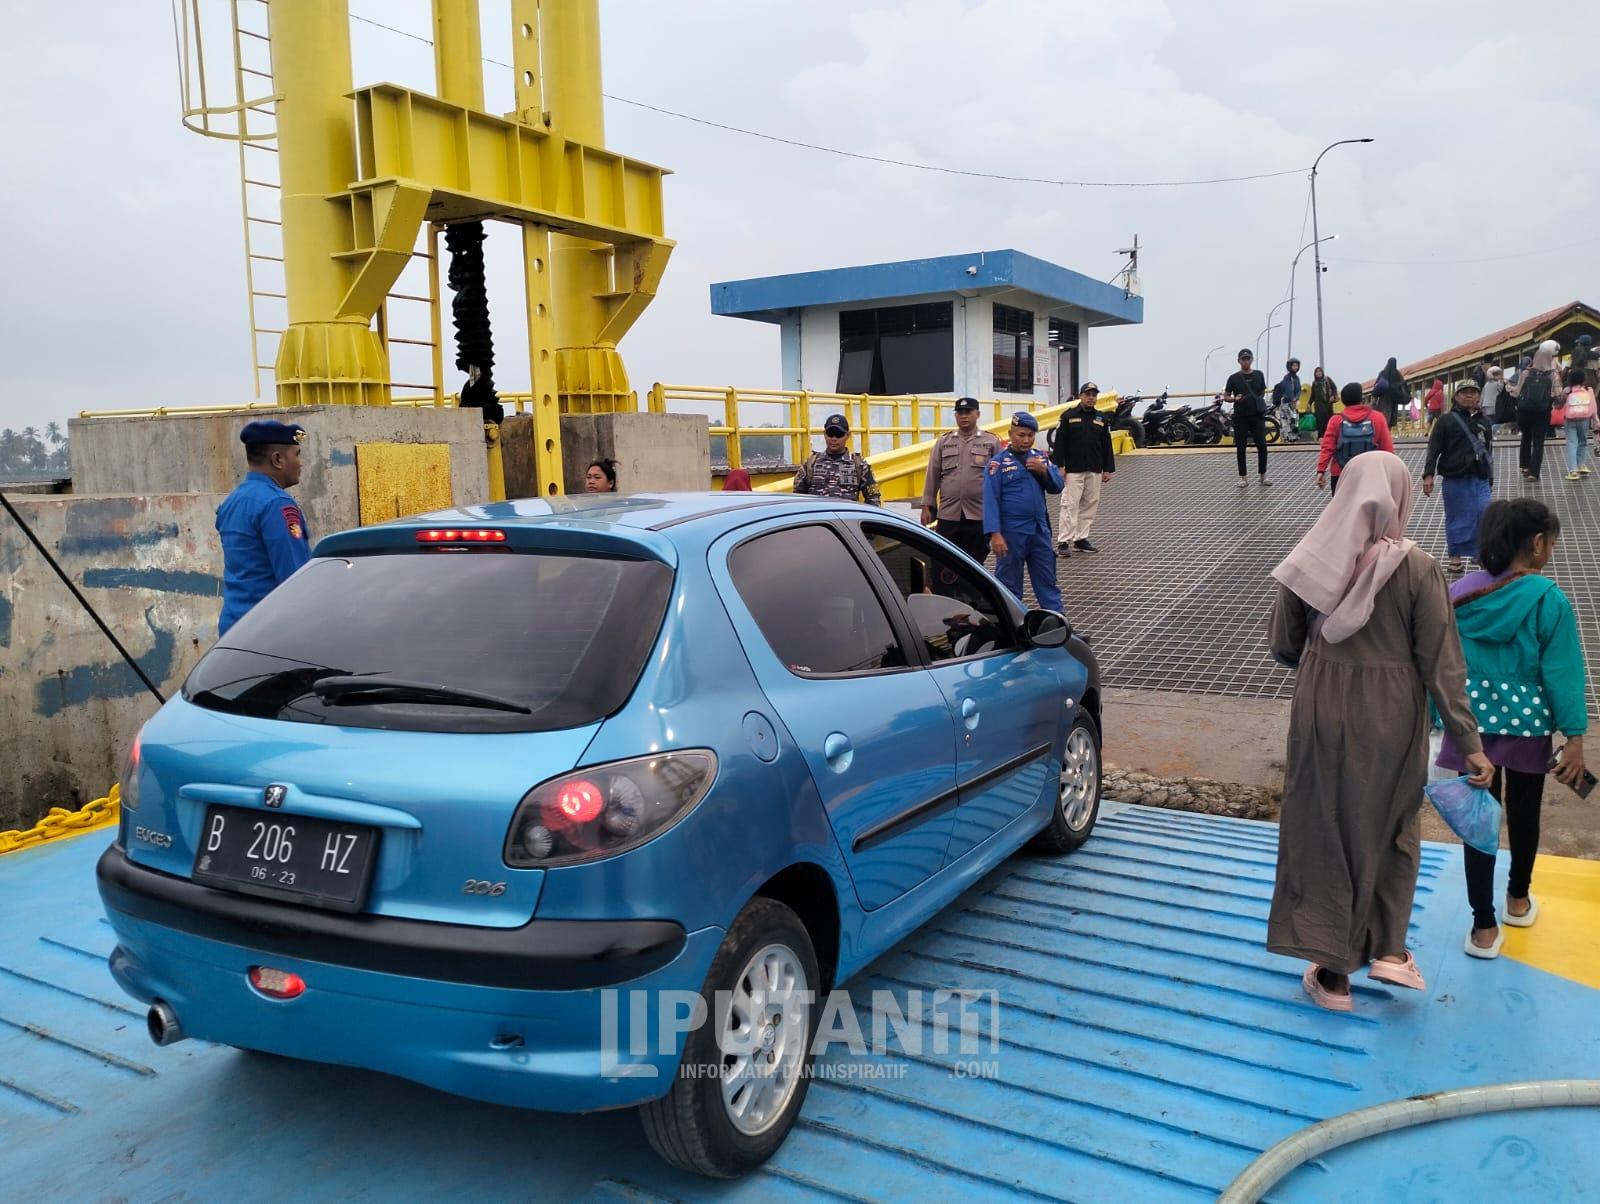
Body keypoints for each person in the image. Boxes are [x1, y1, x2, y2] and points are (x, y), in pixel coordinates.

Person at [1267, 452, 1491, 1011]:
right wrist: (1469, 744)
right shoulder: (1418, 568)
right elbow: (1442, 665)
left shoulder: (1312, 555)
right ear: (1398, 498)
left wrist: (1323, 659)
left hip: (1322, 701)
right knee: (1390, 821)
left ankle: (1334, 976)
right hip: (1392, 711)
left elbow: (1283, 645)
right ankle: (1389, 948)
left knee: (1323, 824)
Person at [1434, 499, 1588, 960]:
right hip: (1527, 728)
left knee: (1478, 818)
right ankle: (1518, 900)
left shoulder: (1458, 592)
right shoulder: (1547, 599)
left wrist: (1435, 713)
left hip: (1470, 725)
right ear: (1538, 543)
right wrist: (1574, 736)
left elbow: (1438, 659)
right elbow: (1562, 672)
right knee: (1523, 813)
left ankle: (1483, 927)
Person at [216, 420, 312, 637]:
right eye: (297, 455)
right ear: (277, 459)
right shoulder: (278, 505)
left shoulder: (233, 501)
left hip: (233, 627)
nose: (301, 463)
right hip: (268, 632)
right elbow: (295, 579)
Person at [982, 412, 1064, 612]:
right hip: (1011, 531)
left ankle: (1057, 621)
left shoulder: (1040, 458)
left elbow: (1058, 486)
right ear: (1010, 434)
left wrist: (1044, 471)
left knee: (1047, 580)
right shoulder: (998, 464)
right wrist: (995, 534)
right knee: (1009, 583)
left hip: (1039, 529)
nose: (1026, 440)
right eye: (1021, 435)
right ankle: (1011, 622)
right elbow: (990, 501)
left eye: (1030, 435)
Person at [1422, 379, 1494, 574]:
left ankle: (1480, 552)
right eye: (1464, 392)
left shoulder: (1484, 422)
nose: (1469, 395)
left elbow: (1488, 451)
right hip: (1455, 478)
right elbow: (1433, 448)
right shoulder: (1446, 420)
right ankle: (1455, 557)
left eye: (1473, 392)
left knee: (1484, 514)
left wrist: (1490, 478)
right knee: (1457, 518)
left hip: (1480, 478)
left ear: (1479, 396)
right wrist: (1428, 475)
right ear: (1456, 396)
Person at [920, 396, 1002, 564]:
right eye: (959, 412)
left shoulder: (991, 441)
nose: (963, 416)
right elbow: (932, 474)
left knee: (975, 562)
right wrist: (926, 506)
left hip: (978, 513)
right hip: (949, 513)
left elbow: (1000, 479)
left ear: (978, 414)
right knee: (944, 562)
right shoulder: (944, 441)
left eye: (968, 412)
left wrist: (1000, 514)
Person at [1048, 382, 1114, 556]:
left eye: (1094, 395)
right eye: (1088, 394)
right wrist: (1060, 466)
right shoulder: (1068, 416)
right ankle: (1064, 541)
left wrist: (1108, 468)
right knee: (1070, 504)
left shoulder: (1102, 418)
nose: (1091, 398)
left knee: (1090, 504)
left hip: (1094, 468)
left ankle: (1080, 539)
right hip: (1073, 469)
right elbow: (1059, 443)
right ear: (1081, 396)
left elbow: (1106, 444)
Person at [1316, 382, 1394, 497]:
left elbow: (1327, 448)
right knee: (1368, 508)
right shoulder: (1377, 417)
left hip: (1341, 474)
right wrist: (1390, 473)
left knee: (1342, 508)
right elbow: (1387, 449)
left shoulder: (1336, 420)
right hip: (1371, 474)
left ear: (1343, 401)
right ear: (1361, 398)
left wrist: (1321, 470)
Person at [793, 413, 881, 505]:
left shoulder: (859, 464)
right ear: (824, 434)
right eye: (830, 434)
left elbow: (873, 497)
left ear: (847, 435)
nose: (834, 439)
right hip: (819, 514)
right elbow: (798, 496)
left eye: (839, 434)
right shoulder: (811, 463)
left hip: (846, 514)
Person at [1511, 340, 1561, 482]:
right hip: (1542, 412)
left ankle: (1524, 466)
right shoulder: (1552, 375)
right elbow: (1558, 394)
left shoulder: (1526, 372)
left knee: (1526, 437)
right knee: (1538, 441)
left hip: (1524, 411)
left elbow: (1517, 392)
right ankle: (1534, 473)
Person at [1223, 348, 1272, 487]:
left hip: (1257, 416)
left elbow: (1262, 391)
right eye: (1243, 359)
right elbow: (1226, 396)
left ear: (1252, 360)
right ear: (1239, 361)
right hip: (1240, 416)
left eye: (1248, 359)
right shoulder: (1233, 378)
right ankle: (1243, 477)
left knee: (1262, 445)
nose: (1246, 361)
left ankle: (1263, 475)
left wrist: (1255, 402)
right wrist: (1235, 399)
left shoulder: (1259, 375)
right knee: (1241, 447)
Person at [1560, 367, 1595, 481]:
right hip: (1584, 419)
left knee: (1572, 443)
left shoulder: (1567, 390)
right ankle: (1581, 465)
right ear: (1584, 379)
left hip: (1570, 420)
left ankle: (1573, 471)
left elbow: (1560, 404)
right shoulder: (1588, 390)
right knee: (1583, 442)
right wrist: (1595, 419)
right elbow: (1593, 406)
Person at [1273, 358, 1303, 444]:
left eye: (1296, 366)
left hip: (1293, 403)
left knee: (1294, 420)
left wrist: (1296, 398)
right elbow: (1288, 389)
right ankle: (1286, 439)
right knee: (1286, 421)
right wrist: (1292, 399)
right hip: (1286, 403)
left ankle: (1293, 438)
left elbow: (1299, 389)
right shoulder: (1287, 377)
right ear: (1289, 366)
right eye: (1293, 365)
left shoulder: (1296, 378)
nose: (1295, 367)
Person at [1372, 357, 1408, 426]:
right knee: (1391, 418)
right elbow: (1403, 385)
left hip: (1383, 399)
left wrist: (1374, 398)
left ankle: (1382, 430)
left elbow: (1376, 385)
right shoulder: (1398, 374)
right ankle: (1388, 431)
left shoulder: (1382, 373)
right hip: (1394, 399)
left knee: (1383, 416)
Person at [1483, 365, 1511, 433]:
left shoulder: (1486, 384)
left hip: (1486, 407)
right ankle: (1491, 432)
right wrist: (1506, 383)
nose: (1500, 376)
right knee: (1496, 422)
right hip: (1495, 406)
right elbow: (1506, 390)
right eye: (1499, 375)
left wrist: (1481, 405)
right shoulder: (1498, 384)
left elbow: (1482, 395)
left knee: (1490, 422)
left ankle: (1489, 433)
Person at [1310, 367, 1337, 437]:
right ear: (1315, 374)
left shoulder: (1327, 379)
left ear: (1322, 372)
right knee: (1320, 423)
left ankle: (1329, 437)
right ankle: (1321, 438)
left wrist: (1333, 396)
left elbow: (1334, 388)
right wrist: (1309, 403)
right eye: (1317, 372)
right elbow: (1312, 395)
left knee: (1329, 422)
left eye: (1320, 371)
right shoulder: (1314, 383)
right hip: (1318, 407)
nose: (1318, 373)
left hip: (1328, 405)